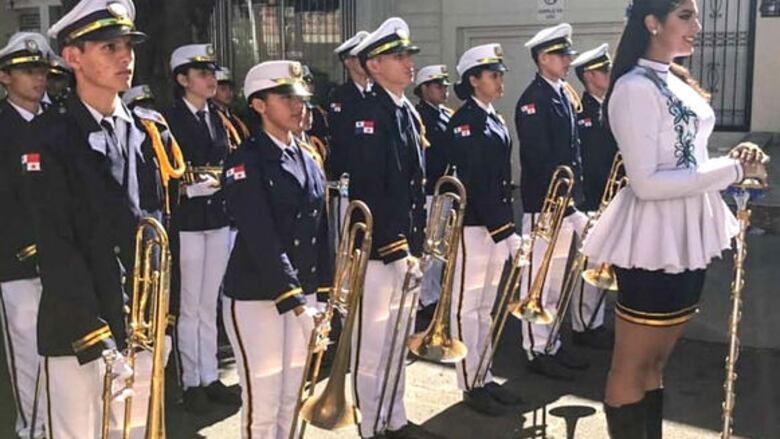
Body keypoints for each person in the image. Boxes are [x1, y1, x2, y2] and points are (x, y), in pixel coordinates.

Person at [580, 1, 768, 437]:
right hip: (651, 240)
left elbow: (690, 159)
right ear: (652, 22)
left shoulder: (677, 82)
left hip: (689, 233)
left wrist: (733, 158)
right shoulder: (632, 88)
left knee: (657, 363)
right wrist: (733, 170)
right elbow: (646, 182)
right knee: (633, 363)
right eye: (686, 15)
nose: (697, 27)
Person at [25, 0, 173, 436]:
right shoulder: (50, 135)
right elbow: (56, 244)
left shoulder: (144, 130)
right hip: (80, 330)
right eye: (109, 47)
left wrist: (166, 316)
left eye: (127, 46)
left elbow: (159, 230)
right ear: (73, 57)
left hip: (139, 322)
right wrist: (98, 339)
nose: (125, 56)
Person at [221, 59, 331, 439]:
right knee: (264, 404)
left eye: (300, 97)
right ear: (258, 104)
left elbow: (321, 231)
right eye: (286, 97)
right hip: (259, 296)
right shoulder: (245, 161)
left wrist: (325, 295)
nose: (298, 105)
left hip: (303, 293)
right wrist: (296, 300)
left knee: (293, 395)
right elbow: (260, 235)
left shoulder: (309, 156)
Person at [346, 17, 441, 439]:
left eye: (408, 56)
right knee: (374, 344)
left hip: (404, 248)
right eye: (397, 57)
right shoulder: (371, 114)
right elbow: (370, 190)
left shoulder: (403, 111)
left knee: (398, 338)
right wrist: (397, 247)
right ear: (373, 65)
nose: (408, 64)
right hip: (380, 252)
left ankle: (395, 417)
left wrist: (414, 245)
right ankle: (372, 426)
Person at [445, 43, 524, 416]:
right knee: (467, 308)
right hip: (475, 227)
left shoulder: (492, 117)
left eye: (500, 73)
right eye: (493, 74)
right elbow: (475, 181)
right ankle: (469, 383)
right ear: (473, 80)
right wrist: (504, 230)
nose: (499, 79)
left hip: (493, 225)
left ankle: (484, 374)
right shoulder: (465, 122)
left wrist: (504, 228)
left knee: (485, 309)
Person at [164, 43, 238, 413]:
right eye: (202, 74)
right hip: (189, 221)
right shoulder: (170, 119)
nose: (211, 79)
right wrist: (186, 188)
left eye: (212, 73)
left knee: (209, 302)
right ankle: (191, 379)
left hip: (216, 216)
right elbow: (163, 171)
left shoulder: (217, 116)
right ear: (182, 79)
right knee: (190, 304)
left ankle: (210, 375)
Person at [515, 23, 590, 381]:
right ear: (543, 58)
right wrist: (568, 205)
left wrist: (575, 201)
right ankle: (535, 347)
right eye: (562, 54)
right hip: (544, 206)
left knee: (557, 279)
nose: (568, 60)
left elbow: (572, 155)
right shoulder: (534, 100)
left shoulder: (562, 93)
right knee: (538, 280)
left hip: (564, 203)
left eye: (568, 53)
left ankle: (551, 343)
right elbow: (541, 158)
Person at [0, 31, 51, 439]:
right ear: (4, 77)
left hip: (62, 259)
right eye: (27, 71)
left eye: (42, 71)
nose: (38, 79)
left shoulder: (57, 123)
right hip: (14, 260)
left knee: (61, 352)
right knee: (27, 351)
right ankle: (32, 428)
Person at [567, 43, 619, 350]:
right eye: (605, 70)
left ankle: (595, 322)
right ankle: (583, 326)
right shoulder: (580, 112)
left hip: (613, 197)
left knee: (604, 265)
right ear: (589, 76)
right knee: (588, 264)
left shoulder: (610, 107)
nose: (610, 75)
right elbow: (582, 161)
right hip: (591, 201)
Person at [412, 64, 452, 319]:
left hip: (445, 188)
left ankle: (433, 293)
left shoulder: (446, 114)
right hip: (429, 189)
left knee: (440, 247)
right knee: (429, 247)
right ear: (424, 89)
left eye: (445, 85)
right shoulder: (418, 116)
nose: (444, 90)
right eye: (438, 85)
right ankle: (424, 298)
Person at [326, 30, 370, 181]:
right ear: (348, 62)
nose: (367, 61)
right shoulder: (340, 96)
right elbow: (341, 137)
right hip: (350, 173)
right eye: (361, 57)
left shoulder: (379, 93)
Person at [214, 66, 250, 148]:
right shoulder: (211, 117)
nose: (228, 93)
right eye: (223, 89)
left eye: (230, 89)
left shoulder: (235, 117)